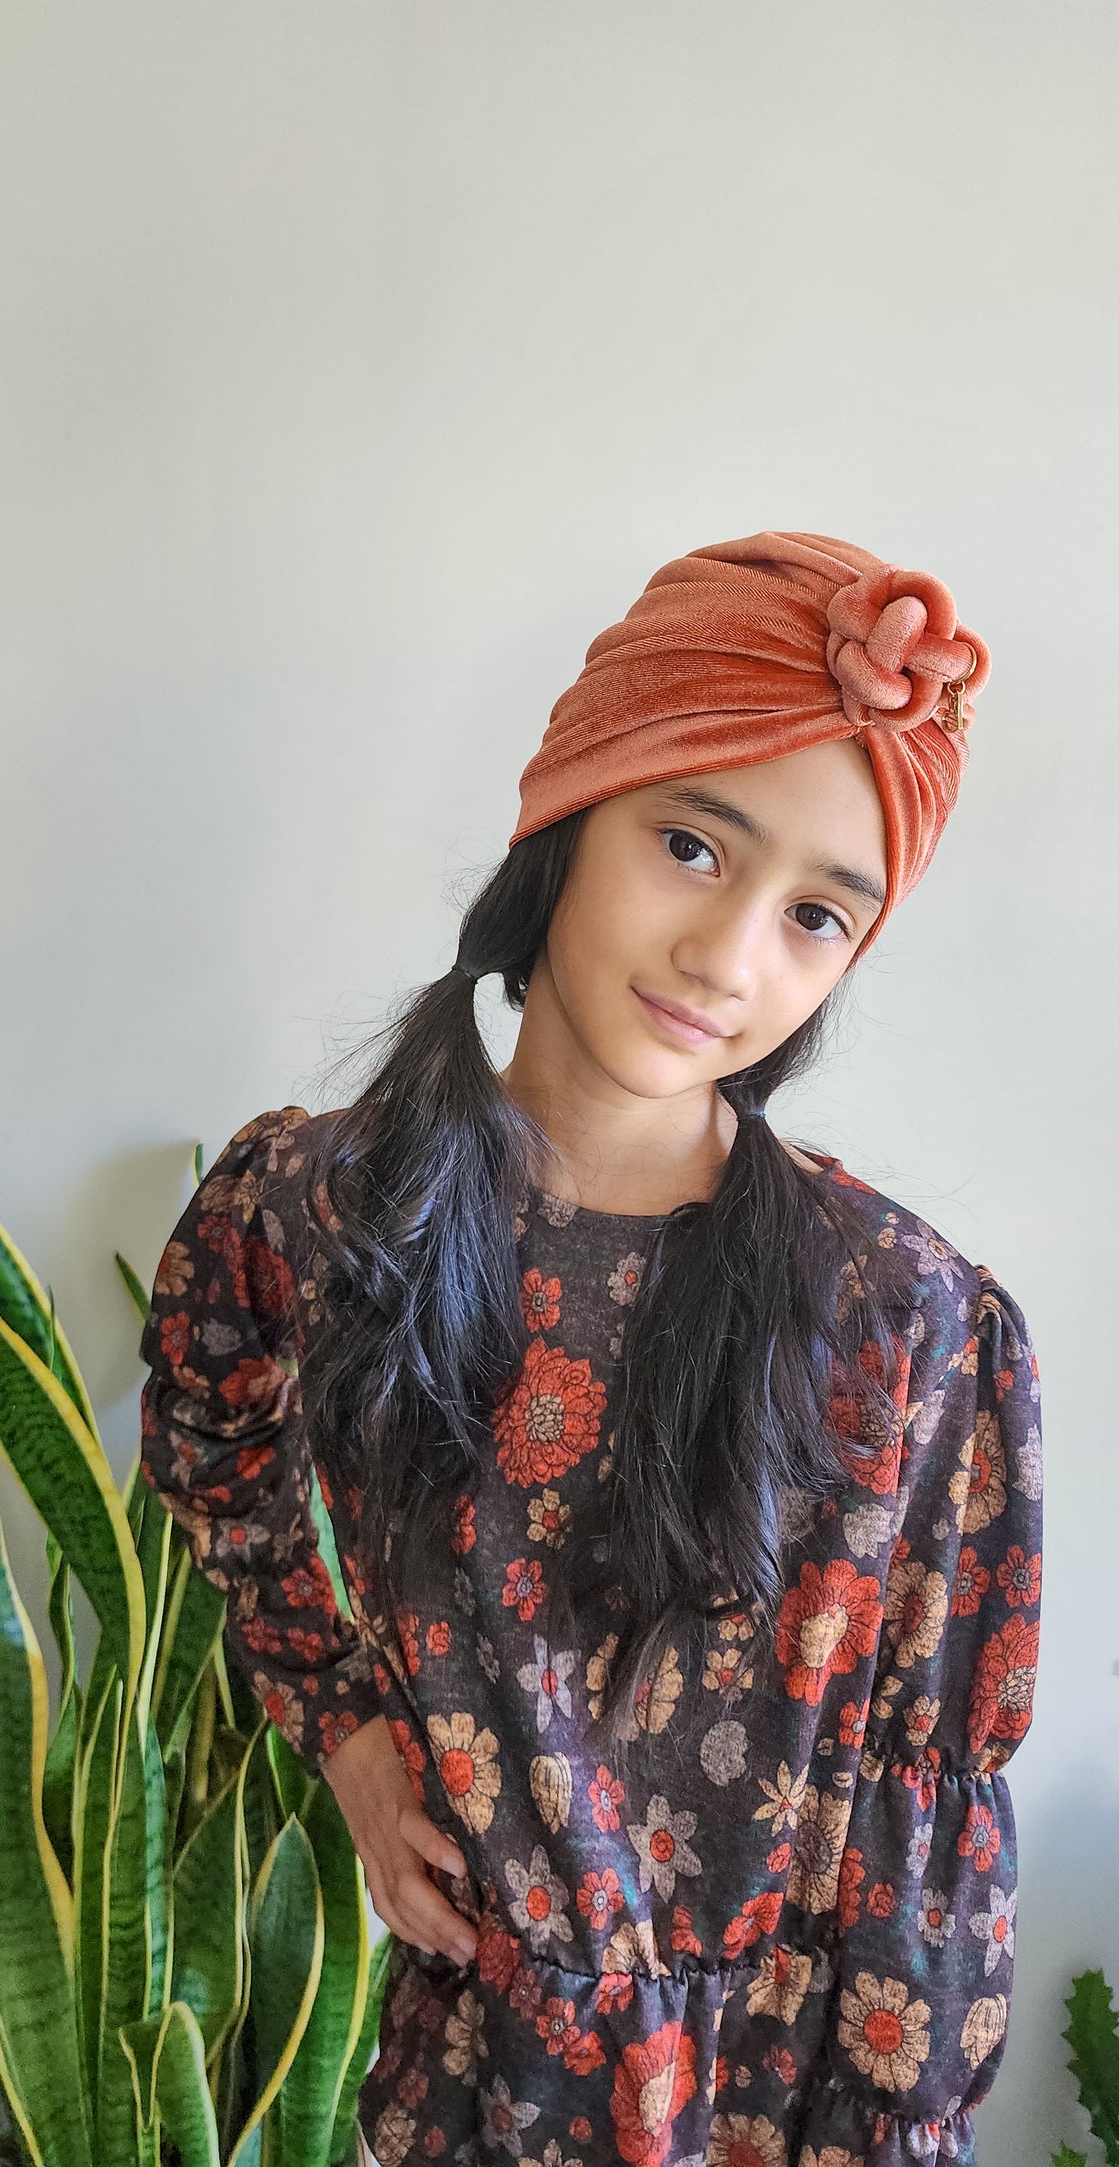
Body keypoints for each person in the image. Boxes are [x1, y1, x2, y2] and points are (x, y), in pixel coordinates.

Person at [138, 532, 1043, 2167]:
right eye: (691, 843)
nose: (730, 957)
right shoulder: (321, 1208)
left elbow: (921, 1827)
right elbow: (214, 1440)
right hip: (458, 2078)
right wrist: (341, 1724)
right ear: (567, 814)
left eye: (819, 915)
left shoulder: (898, 1317)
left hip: (767, 2110)